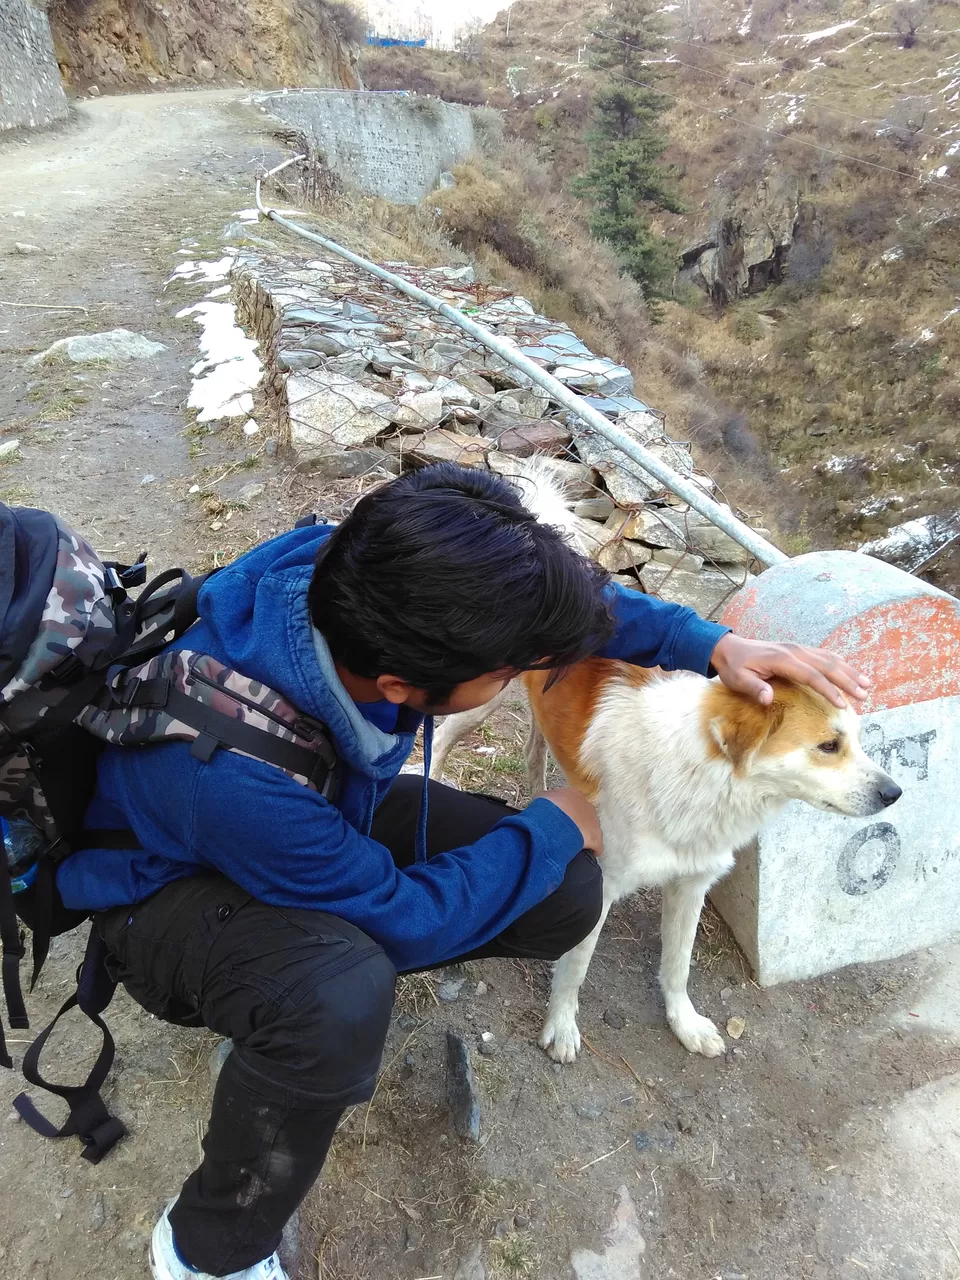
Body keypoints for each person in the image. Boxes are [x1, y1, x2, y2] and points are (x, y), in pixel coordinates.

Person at [57, 463, 869, 1280]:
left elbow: (556, 617)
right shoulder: (232, 778)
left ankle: (292, 978)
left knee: (563, 887)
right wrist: (554, 821)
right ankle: (207, 1249)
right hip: (163, 887)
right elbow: (399, 918)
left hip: (322, 809)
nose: (532, 673)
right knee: (339, 995)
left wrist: (716, 645)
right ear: (404, 687)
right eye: (513, 670)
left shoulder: (359, 577)